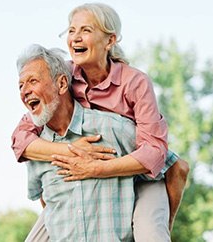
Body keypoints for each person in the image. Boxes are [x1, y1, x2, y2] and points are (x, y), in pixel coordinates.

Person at [12, 3, 189, 241]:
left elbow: (155, 153)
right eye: (71, 30)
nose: (75, 38)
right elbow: (21, 138)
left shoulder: (134, 82)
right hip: (84, 177)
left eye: (85, 30)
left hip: (139, 176)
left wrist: (96, 168)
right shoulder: (64, 76)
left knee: (151, 232)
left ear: (110, 40)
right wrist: (72, 151)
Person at [18, 43, 139, 241]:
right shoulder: (35, 150)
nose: (25, 91)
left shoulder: (112, 129)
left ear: (62, 84)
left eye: (32, 81)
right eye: (21, 86)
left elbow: (163, 164)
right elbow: (47, 204)